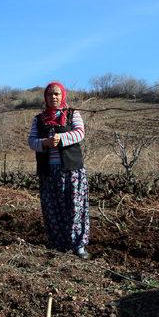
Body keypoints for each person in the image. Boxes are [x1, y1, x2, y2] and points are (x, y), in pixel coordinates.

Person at [28, 82, 90, 259]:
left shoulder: (72, 114)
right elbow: (32, 141)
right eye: (49, 94)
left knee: (75, 207)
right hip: (48, 171)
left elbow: (80, 133)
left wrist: (61, 137)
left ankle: (78, 245)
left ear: (63, 95)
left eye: (56, 94)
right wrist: (45, 143)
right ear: (45, 98)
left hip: (72, 170)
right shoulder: (38, 119)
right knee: (52, 208)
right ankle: (58, 244)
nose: (53, 97)